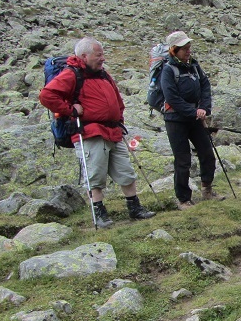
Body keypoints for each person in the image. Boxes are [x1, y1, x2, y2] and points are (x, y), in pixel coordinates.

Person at [40, 37, 155, 228]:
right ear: (84, 56)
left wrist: (119, 117)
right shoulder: (71, 74)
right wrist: (70, 109)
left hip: (113, 130)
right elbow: (46, 95)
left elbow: (117, 98)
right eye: (98, 55)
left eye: (102, 54)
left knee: (126, 171)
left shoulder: (102, 74)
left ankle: (135, 208)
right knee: (94, 176)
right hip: (90, 132)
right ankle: (99, 214)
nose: (103, 58)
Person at [160, 30, 225, 209]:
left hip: (195, 117)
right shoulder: (167, 70)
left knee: (207, 153)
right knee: (183, 159)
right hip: (175, 119)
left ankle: (207, 190)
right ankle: (183, 199)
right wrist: (194, 111)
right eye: (184, 48)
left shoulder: (194, 66)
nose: (188, 51)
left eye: (189, 47)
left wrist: (203, 108)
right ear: (174, 50)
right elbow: (172, 98)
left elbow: (205, 85)